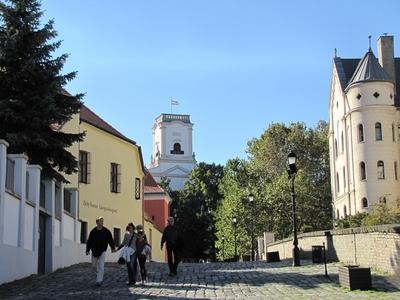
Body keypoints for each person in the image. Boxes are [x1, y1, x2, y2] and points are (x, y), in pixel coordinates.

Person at [86, 216, 116, 286]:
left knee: (101, 266)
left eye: (102, 221)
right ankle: (98, 275)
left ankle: (99, 280)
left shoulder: (106, 231)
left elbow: (110, 240)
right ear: (97, 222)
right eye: (100, 221)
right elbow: (89, 241)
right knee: (93, 266)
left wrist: (113, 248)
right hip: (94, 250)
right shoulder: (93, 231)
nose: (102, 222)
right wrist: (87, 250)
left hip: (102, 250)